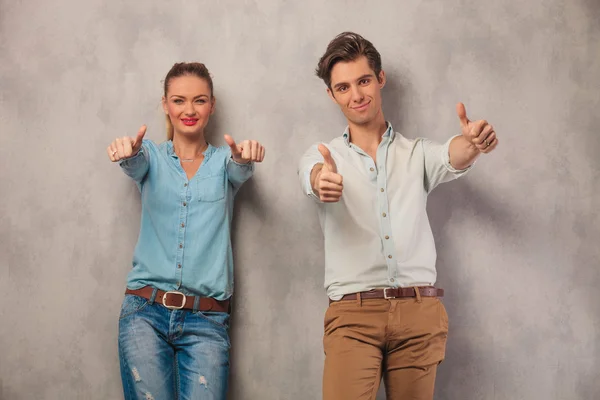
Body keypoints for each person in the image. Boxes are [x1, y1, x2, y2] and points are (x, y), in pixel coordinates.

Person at [298, 32, 498, 400]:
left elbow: (450, 155)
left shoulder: (415, 153)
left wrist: (471, 144)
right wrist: (321, 180)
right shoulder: (323, 155)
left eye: (363, 81)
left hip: (420, 314)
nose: (356, 95)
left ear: (380, 78)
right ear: (331, 94)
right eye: (343, 87)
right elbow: (311, 175)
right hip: (353, 318)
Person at [107, 62, 265, 400]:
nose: (189, 110)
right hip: (144, 314)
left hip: (206, 321)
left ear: (212, 105)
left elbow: (241, 169)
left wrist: (246, 157)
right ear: (165, 104)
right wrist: (127, 152)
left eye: (199, 100)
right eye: (179, 100)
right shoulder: (150, 155)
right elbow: (134, 162)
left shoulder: (225, 162)